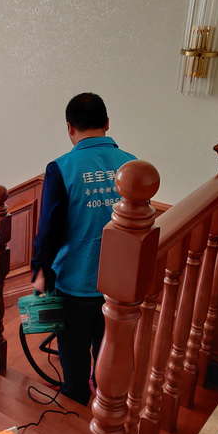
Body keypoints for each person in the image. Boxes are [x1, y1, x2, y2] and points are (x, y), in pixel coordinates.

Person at [31, 92, 136, 406]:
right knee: (109, 342)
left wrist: (40, 269)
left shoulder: (61, 168)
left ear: (69, 128)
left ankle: (75, 394)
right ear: (107, 123)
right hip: (120, 282)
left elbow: (49, 229)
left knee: (73, 345)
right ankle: (105, 394)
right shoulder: (132, 165)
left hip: (76, 277)